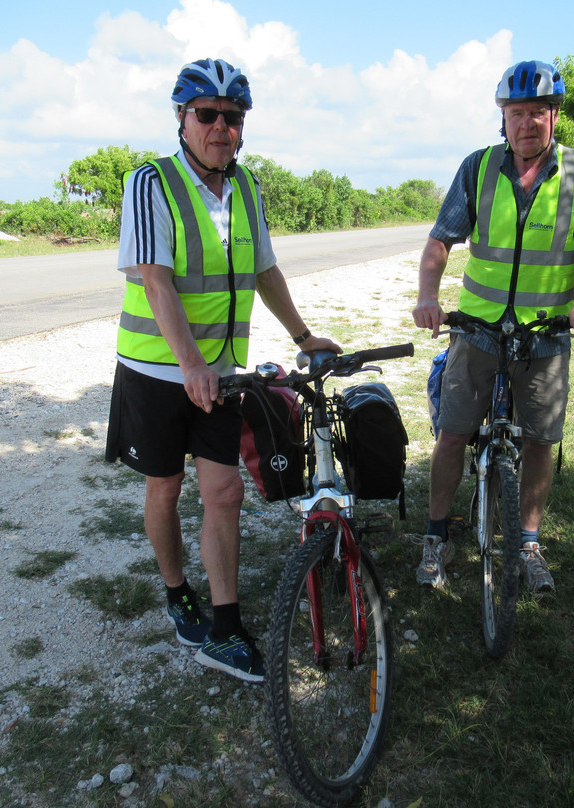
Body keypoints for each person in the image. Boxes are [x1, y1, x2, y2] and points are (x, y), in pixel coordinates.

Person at [106, 58, 340, 683]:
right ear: (182, 119)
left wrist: (302, 333)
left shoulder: (246, 189)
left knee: (226, 491)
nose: (220, 128)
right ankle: (176, 589)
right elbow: (156, 281)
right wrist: (190, 366)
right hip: (157, 371)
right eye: (206, 115)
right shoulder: (151, 183)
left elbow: (265, 270)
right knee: (164, 487)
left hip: (218, 373)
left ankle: (226, 627)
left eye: (232, 118)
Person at [412, 60, 574, 592]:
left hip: (546, 335)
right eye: (517, 112)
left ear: (555, 117)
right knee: (453, 433)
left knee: (538, 441)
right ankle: (436, 538)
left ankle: (528, 544)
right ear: (503, 118)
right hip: (475, 329)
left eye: (539, 112)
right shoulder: (477, 169)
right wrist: (428, 298)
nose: (528, 123)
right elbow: (440, 242)